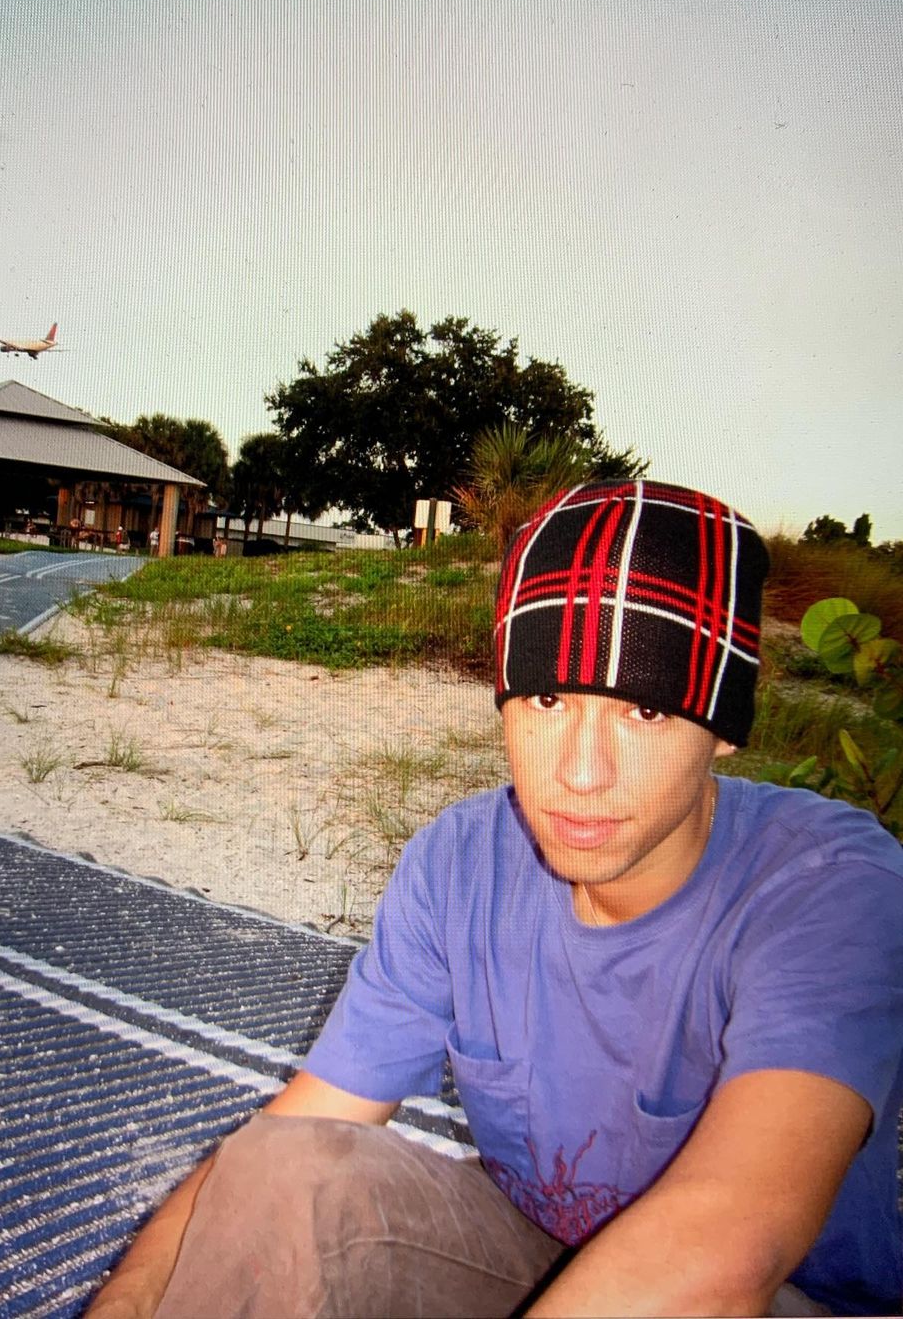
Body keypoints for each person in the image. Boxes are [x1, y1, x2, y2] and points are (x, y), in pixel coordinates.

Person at [90, 480, 903, 1319]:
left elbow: (732, 1248)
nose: (581, 773)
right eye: (548, 700)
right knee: (284, 1168)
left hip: (777, 1297)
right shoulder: (461, 863)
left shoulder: (830, 885)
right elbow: (298, 1130)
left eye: (646, 711)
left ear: (724, 728)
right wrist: (129, 1300)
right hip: (531, 1252)